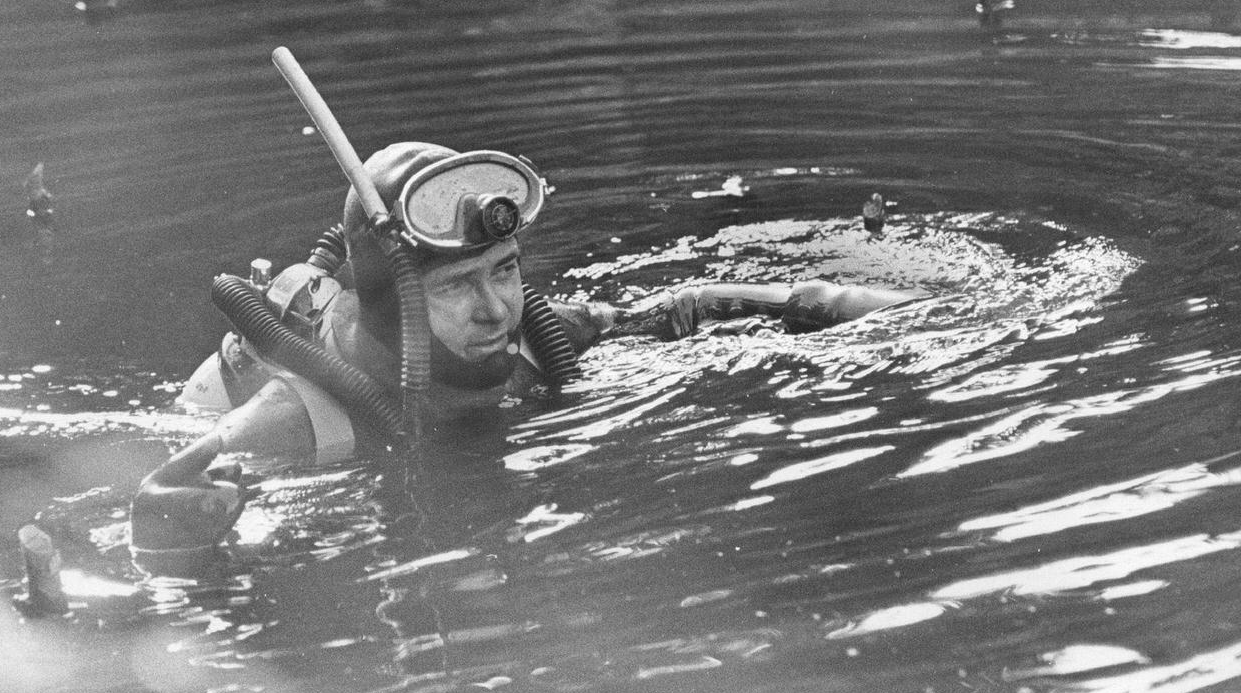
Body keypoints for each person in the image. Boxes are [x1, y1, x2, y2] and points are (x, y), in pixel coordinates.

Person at [129, 142, 926, 571]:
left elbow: (681, 310)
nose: (497, 308)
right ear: (394, 296)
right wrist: (177, 537)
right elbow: (159, 493)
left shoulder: (534, 340)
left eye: (505, 271)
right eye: (457, 287)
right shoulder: (299, 419)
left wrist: (833, 305)